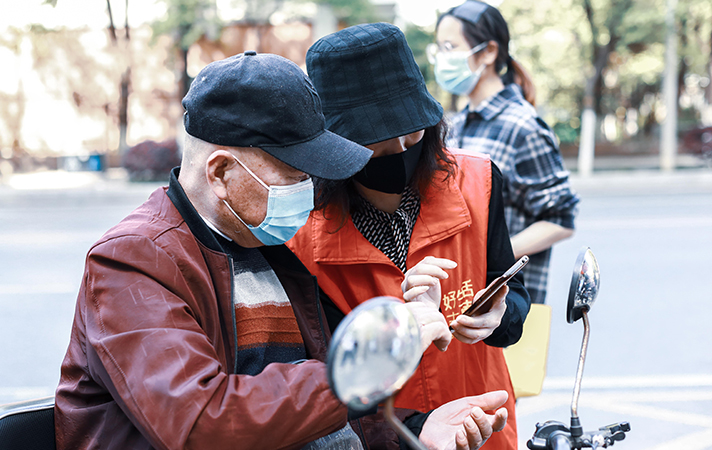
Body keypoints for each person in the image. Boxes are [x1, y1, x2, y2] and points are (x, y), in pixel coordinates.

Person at [54, 51, 508, 450]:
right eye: (294, 174)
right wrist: (369, 362)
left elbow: (321, 407)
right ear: (221, 173)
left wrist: (414, 432)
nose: (309, 192)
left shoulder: (268, 247)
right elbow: (200, 423)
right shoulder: (133, 261)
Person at [288, 23, 530, 450]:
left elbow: (512, 292)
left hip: (482, 423)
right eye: (376, 146)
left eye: (413, 133)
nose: (400, 150)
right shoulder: (301, 233)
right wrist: (402, 331)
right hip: (387, 438)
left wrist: (499, 316)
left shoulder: (479, 180)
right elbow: (323, 377)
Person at [430, 0, 580, 304]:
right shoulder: (455, 125)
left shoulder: (523, 126)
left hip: (506, 305)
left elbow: (561, 220)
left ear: (488, 52)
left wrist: (493, 257)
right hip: (461, 298)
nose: (443, 58)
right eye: (439, 48)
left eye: (451, 46)